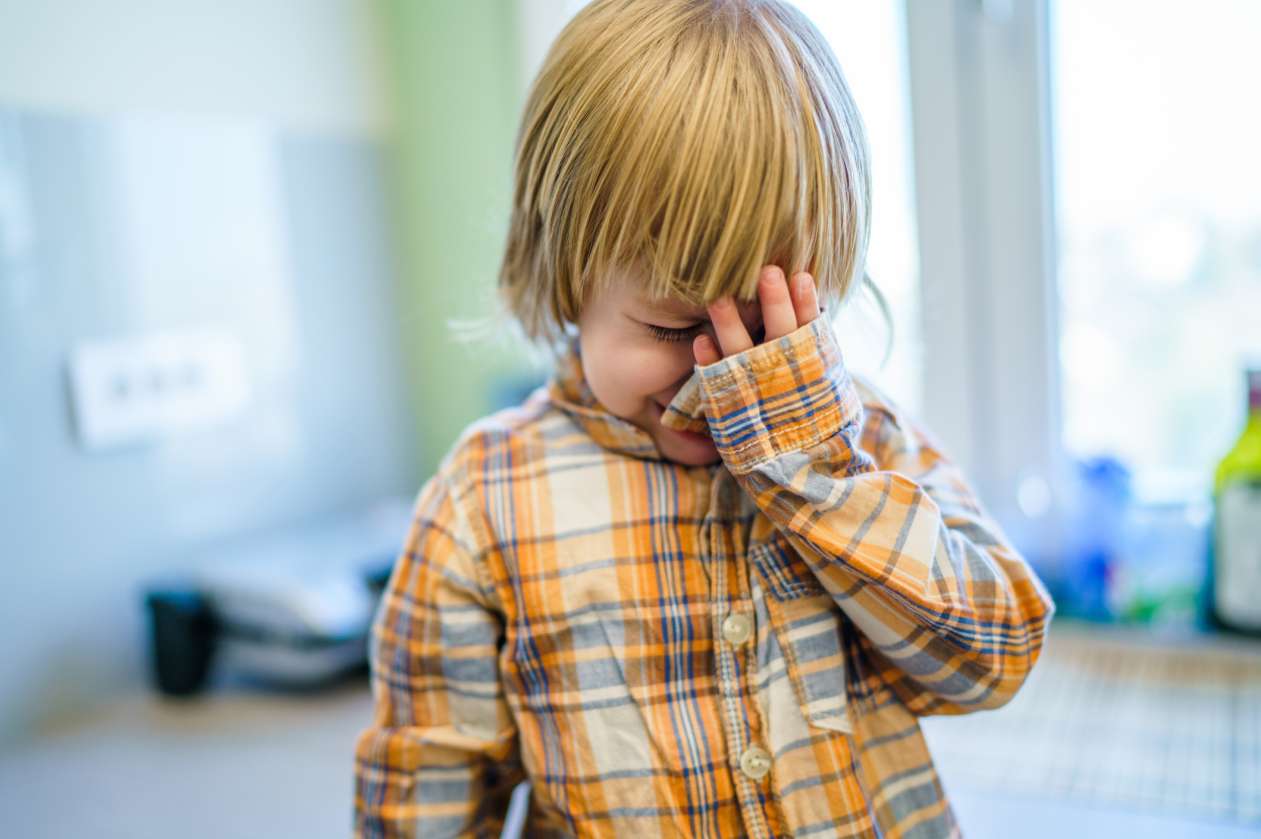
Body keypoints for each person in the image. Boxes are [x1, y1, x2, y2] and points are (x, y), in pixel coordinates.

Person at [352, 0, 1056, 836]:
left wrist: (813, 470)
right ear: (563, 271)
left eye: (773, 330)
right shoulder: (482, 501)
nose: (718, 380)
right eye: (672, 328)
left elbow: (993, 663)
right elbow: (427, 788)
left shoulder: (861, 438)